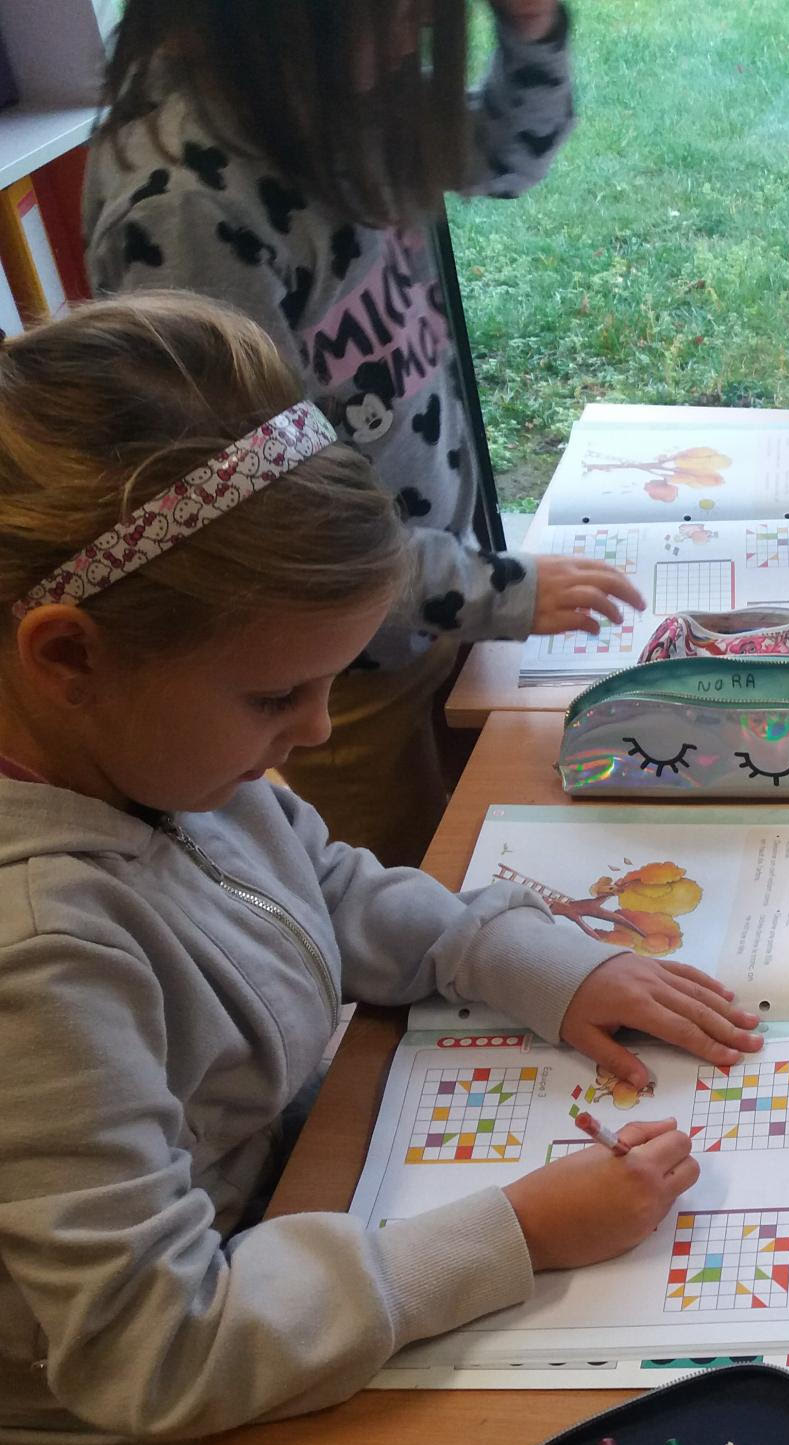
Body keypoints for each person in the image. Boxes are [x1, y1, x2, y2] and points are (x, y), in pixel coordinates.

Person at [0, 294, 760, 1445]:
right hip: (193, 1442)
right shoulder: (39, 960)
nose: (313, 732)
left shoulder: (149, 759)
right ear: (69, 658)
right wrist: (516, 1233)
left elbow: (323, 885)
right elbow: (159, 1349)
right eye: (275, 698)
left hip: (316, 1216)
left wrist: (541, 963)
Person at [83, 0, 641, 864]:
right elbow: (271, 525)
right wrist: (496, 593)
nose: (413, 42)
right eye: (398, 19)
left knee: (475, 832)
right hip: (337, 659)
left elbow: (506, 156)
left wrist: (532, 29)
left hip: (434, 592)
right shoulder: (185, 207)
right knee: (402, 876)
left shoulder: (340, 98)